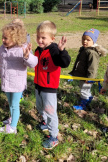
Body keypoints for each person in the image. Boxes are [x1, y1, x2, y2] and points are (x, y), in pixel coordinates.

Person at [34, 21, 71, 149]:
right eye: (38, 36)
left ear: (52, 38)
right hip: (38, 85)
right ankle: (44, 123)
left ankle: (54, 136)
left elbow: (64, 63)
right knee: (40, 107)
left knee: (50, 112)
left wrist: (62, 51)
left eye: (43, 37)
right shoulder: (38, 50)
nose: (40, 40)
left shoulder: (54, 51)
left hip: (49, 88)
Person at [0, 23, 38, 134]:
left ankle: (13, 127)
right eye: (3, 37)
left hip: (17, 83)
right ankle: (12, 118)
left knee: (15, 105)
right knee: (10, 103)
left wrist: (27, 56)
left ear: (15, 38)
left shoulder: (22, 49)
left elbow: (33, 63)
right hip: (6, 81)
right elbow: (0, 62)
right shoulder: (2, 48)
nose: (3, 40)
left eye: (6, 38)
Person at [69, 28, 108, 110]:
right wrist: (73, 73)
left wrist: (90, 78)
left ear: (93, 41)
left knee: (84, 90)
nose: (84, 41)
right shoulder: (85, 49)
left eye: (88, 40)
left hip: (87, 77)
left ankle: (83, 104)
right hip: (82, 75)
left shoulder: (92, 53)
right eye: (83, 39)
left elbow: (93, 67)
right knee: (84, 90)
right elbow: (78, 63)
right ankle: (88, 98)